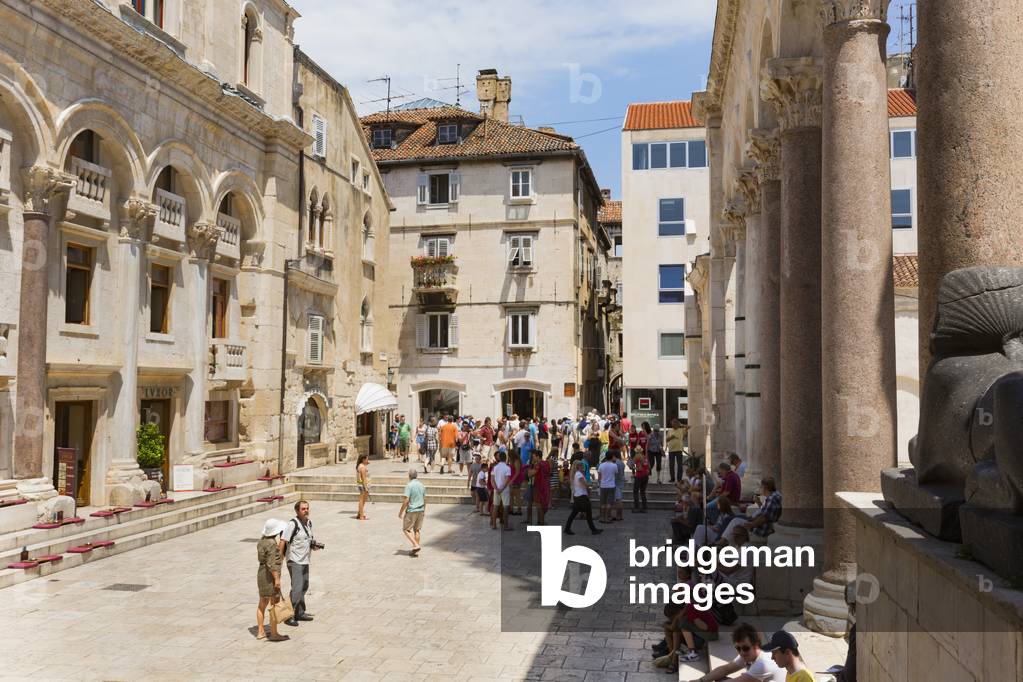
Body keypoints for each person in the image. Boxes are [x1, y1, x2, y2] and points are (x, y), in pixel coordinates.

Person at [697, 622, 786, 682]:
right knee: (719, 678)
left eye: (745, 648)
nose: (742, 652)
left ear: (756, 645)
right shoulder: (748, 655)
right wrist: (700, 680)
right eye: (738, 648)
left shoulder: (762, 664)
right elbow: (726, 669)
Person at [281, 500, 318, 626]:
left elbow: (308, 539)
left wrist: (313, 546)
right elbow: (283, 541)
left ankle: (299, 612)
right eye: (303, 509)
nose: (306, 511)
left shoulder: (308, 523)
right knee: (297, 588)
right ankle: (288, 616)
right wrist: (279, 561)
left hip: (305, 560)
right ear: (297, 511)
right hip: (294, 560)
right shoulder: (292, 524)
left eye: (307, 508)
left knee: (304, 586)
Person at [255, 518, 289, 642]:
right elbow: (272, 564)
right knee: (274, 604)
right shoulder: (271, 544)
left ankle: (260, 631)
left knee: (262, 603)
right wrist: (277, 579)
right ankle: (274, 633)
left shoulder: (261, 541)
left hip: (261, 573)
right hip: (270, 576)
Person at [563, 460, 603, 535]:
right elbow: (585, 484)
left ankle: (567, 528)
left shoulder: (577, 474)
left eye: (582, 465)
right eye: (581, 465)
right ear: (577, 467)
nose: (582, 466)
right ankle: (593, 530)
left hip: (578, 496)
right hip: (582, 497)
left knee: (574, 513)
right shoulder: (579, 474)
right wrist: (594, 485)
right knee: (588, 513)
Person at [399, 468, 426, 556]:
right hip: (421, 509)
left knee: (406, 529)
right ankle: (415, 549)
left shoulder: (409, 485)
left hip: (412, 510)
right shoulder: (422, 485)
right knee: (417, 530)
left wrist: (401, 512)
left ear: (409, 476)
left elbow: (406, 500)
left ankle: (416, 545)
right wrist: (424, 510)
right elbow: (424, 499)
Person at [526, 450, 551, 525]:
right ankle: (540, 521)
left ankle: (541, 522)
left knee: (539, 505)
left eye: (533, 457)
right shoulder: (546, 463)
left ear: (538, 456)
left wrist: (529, 468)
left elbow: (530, 474)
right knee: (542, 504)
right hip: (545, 485)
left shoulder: (538, 464)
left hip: (539, 486)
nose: (532, 458)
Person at [490, 451, 512, 531]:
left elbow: (492, 480)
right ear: (506, 458)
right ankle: (506, 526)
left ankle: (494, 525)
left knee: (495, 506)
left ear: (499, 458)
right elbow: (507, 480)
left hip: (496, 490)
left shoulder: (495, 467)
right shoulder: (507, 468)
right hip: (504, 490)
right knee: (505, 507)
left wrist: (497, 489)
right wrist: (502, 489)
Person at [596, 451, 618, 524]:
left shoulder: (601, 465)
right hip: (611, 485)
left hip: (603, 485)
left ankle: (602, 517)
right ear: (612, 457)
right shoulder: (614, 465)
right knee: (609, 503)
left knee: (602, 503)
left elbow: (599, 477)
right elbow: (615, 475)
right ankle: (607, 518)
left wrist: (599, 484)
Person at [666, 418, 688, 483]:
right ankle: (672, 478)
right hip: (671, 450)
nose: (673, 425)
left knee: (679, 465)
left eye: (674, 423)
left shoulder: (681, 430)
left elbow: (689, 427)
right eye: (672, 424)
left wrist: (681, 425)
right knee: (671, 465)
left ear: (677, 424)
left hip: (679, 450)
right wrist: (671, 437)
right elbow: (667, 440)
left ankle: (679, 479)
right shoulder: (669, 431)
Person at [356, 454, 370, 521]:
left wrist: (366, 464)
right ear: (363, 459)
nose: (368, 460)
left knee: (362, 500)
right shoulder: (362, 467)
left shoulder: (360, 466)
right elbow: (364, 478)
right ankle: (361, 516)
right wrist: (366, 488)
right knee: (362, 500)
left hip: (360, 484)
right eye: (367, 459)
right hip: (363, 485)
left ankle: (359, 514)